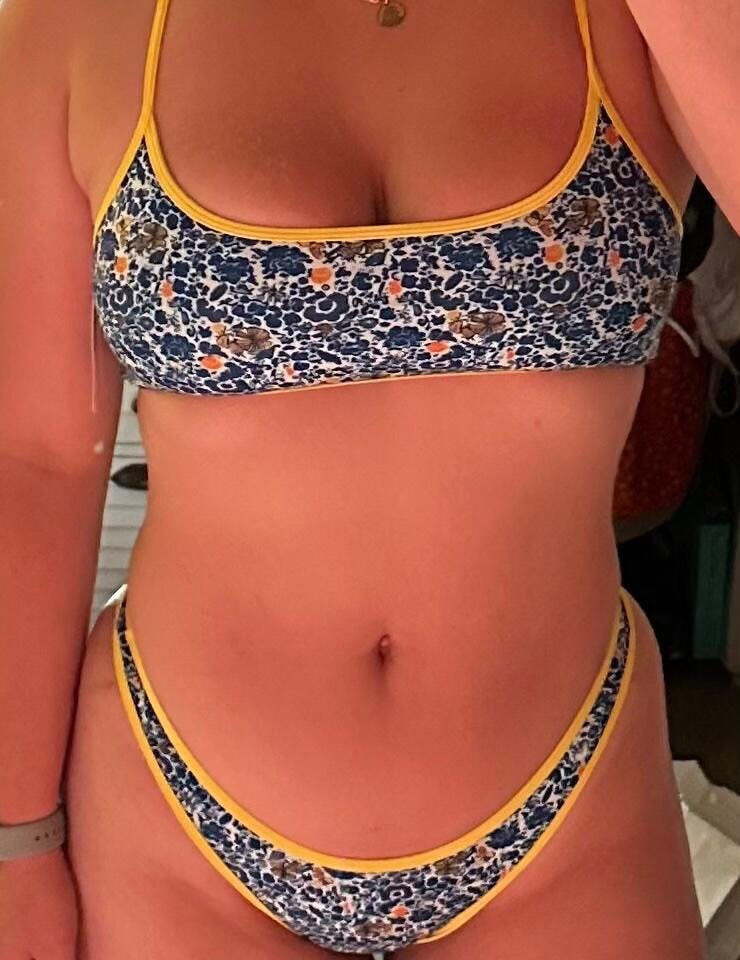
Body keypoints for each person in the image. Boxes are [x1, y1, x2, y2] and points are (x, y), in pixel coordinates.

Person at [1, 0, 731, 956]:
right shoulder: (77, 19)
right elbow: (35, 458)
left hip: (569, 804)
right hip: (173, 814)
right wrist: (15, 841)